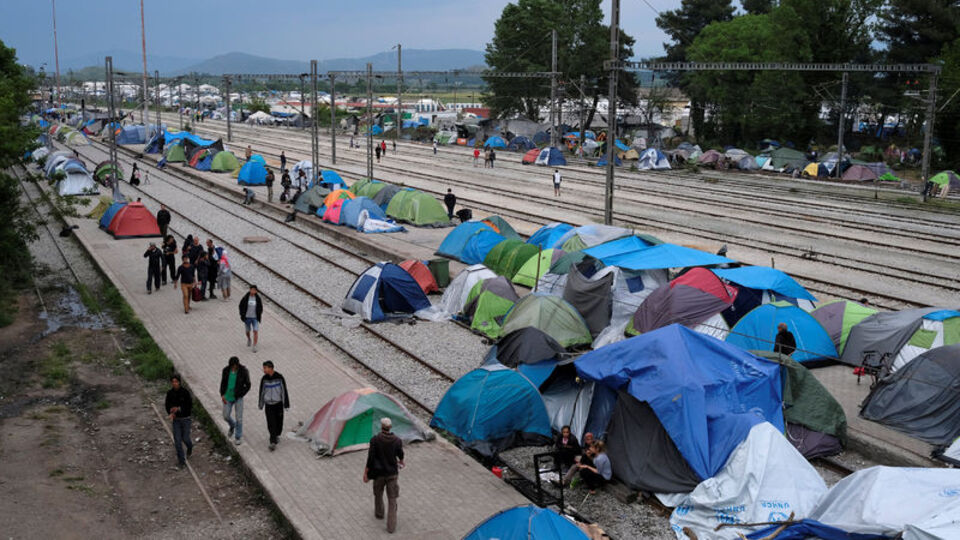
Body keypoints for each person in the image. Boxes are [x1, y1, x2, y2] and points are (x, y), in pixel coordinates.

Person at [364, 417, 405, 534]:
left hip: (378, 473)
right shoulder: (397, 440)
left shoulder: (375, 440)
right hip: (392, 474)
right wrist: (401, 461)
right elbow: (400, 454)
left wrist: (366, 473)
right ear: (390, 427)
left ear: (381, 427)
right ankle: (391, 527)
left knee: (378, 494)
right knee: (392, 499)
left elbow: (370, 458)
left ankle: (379, 513)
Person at [258, 360, 290, 451]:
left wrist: (286, 404)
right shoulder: (264, 379)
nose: (264, 370)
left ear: (270, 368)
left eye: (265, 368)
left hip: (278, 404)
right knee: (271, 422)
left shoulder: (279, 377)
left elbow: (284, 391)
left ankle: (277, 434)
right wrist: (261, 404)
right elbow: (262, 392)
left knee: (279, 421)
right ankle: (272, 441)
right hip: (269, 405)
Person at [220, 356, 251, 445]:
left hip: (238, 397)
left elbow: (248, 385)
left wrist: (242, 393)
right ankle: (232, 425)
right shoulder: (225, 370)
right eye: (232, 366)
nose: (234, 368)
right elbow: (223, 383)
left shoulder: (243, 371)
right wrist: (222, 394)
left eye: (235, 366)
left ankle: (238, 436)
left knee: (239, 418)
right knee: (226, 416)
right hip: (227, 397)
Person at [165, 374, 193, 468]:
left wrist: (179, 409)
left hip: (185, 419)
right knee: (177, 441)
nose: (174, 383)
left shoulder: (185, 393)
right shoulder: (170, 393)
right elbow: (167, 405)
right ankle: (181, 461)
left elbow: (189, 406)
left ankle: (190, 446)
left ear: (179, 382)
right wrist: (171, 412)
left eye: (176, 382)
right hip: (176, 420)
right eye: (173, 382)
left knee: (185, 438)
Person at [239, 285, 263, 352]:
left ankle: (254, 345)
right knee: (247, 331)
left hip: (255, 318)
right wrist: (242, 314)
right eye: (251, 290)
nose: (252, 291)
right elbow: (241, 306)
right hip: (247, 318)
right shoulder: (246, 297)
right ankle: (249, 339)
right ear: (250, 290)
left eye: (254, 290)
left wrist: (259, 313)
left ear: (256, 291)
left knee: (255, 331)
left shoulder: (258, 298)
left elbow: (260, 307)